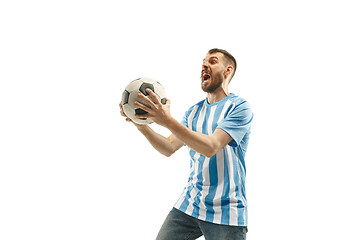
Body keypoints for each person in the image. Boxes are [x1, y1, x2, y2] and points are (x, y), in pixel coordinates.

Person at [120, 48, 253, 240]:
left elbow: (211, 147)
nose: (204, 65)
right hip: (190, 204)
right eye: (203, 62)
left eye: (213, 61)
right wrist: (139, 124)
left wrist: (166, 120)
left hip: (226, 212)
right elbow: (168, 147)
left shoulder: (240, 107)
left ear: (228, 71)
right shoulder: (194, 111)